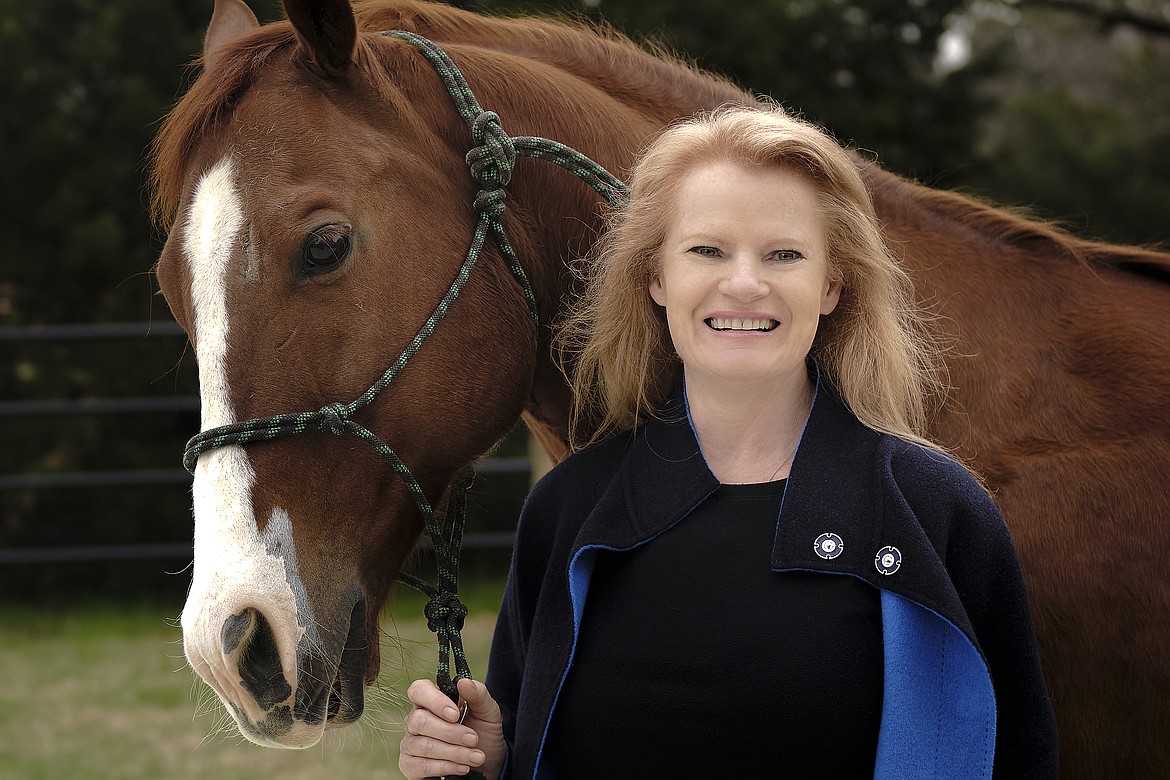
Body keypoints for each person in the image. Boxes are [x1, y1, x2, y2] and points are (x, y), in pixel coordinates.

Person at [399, 105, 1058, 779]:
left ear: (832, 285)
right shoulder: (566, 511)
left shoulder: (937, 511)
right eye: (707, 250)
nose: (744, 283)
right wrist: (483, 765)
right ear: (656, 276)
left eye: (784, 254)